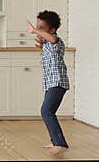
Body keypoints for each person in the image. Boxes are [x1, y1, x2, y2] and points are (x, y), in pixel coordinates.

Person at [27, 10, 70, 156]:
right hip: (50, 83)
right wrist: (40, 42)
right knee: (49, 112)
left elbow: (53, 41)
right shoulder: (47, 42)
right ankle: (54, 140)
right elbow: (46, 45)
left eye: (41, 28)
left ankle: (60, 144)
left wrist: (34, 30)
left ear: (52, 30)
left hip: (57, 83)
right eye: (37, 26)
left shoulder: (56, 41)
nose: (38, 30)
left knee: (46, 111)